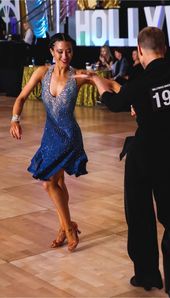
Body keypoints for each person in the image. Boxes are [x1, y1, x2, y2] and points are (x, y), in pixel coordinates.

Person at [77, 27, 170, 297]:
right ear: (165, 49)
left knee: (140, 218)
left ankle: (147, 276)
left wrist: (97, 81)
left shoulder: (141, 81)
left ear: (140, 50)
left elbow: (114, 103)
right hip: (168, 162)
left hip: (141, 159)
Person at [10, 33, 89, 252]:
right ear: (52, 51)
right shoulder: (42, 73)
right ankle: (65, 226)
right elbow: (21, 98)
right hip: (50, 135)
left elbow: (108, 83)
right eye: (61, 51)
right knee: (59, 183)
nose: (65, 56)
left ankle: (69, 228)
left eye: (69, 51)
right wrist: (15, 120)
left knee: (48, 183)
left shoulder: (77, 76)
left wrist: (133, 102)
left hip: (68, 136)